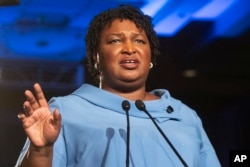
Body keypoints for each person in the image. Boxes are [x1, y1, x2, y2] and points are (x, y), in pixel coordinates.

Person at [15, 5, 221, 167]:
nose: (129, 49)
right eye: (115, 41)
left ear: (151, 57)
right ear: (96, 58)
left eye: (139, 41)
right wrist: (40, 151)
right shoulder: (62, 113)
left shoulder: (185, 115)